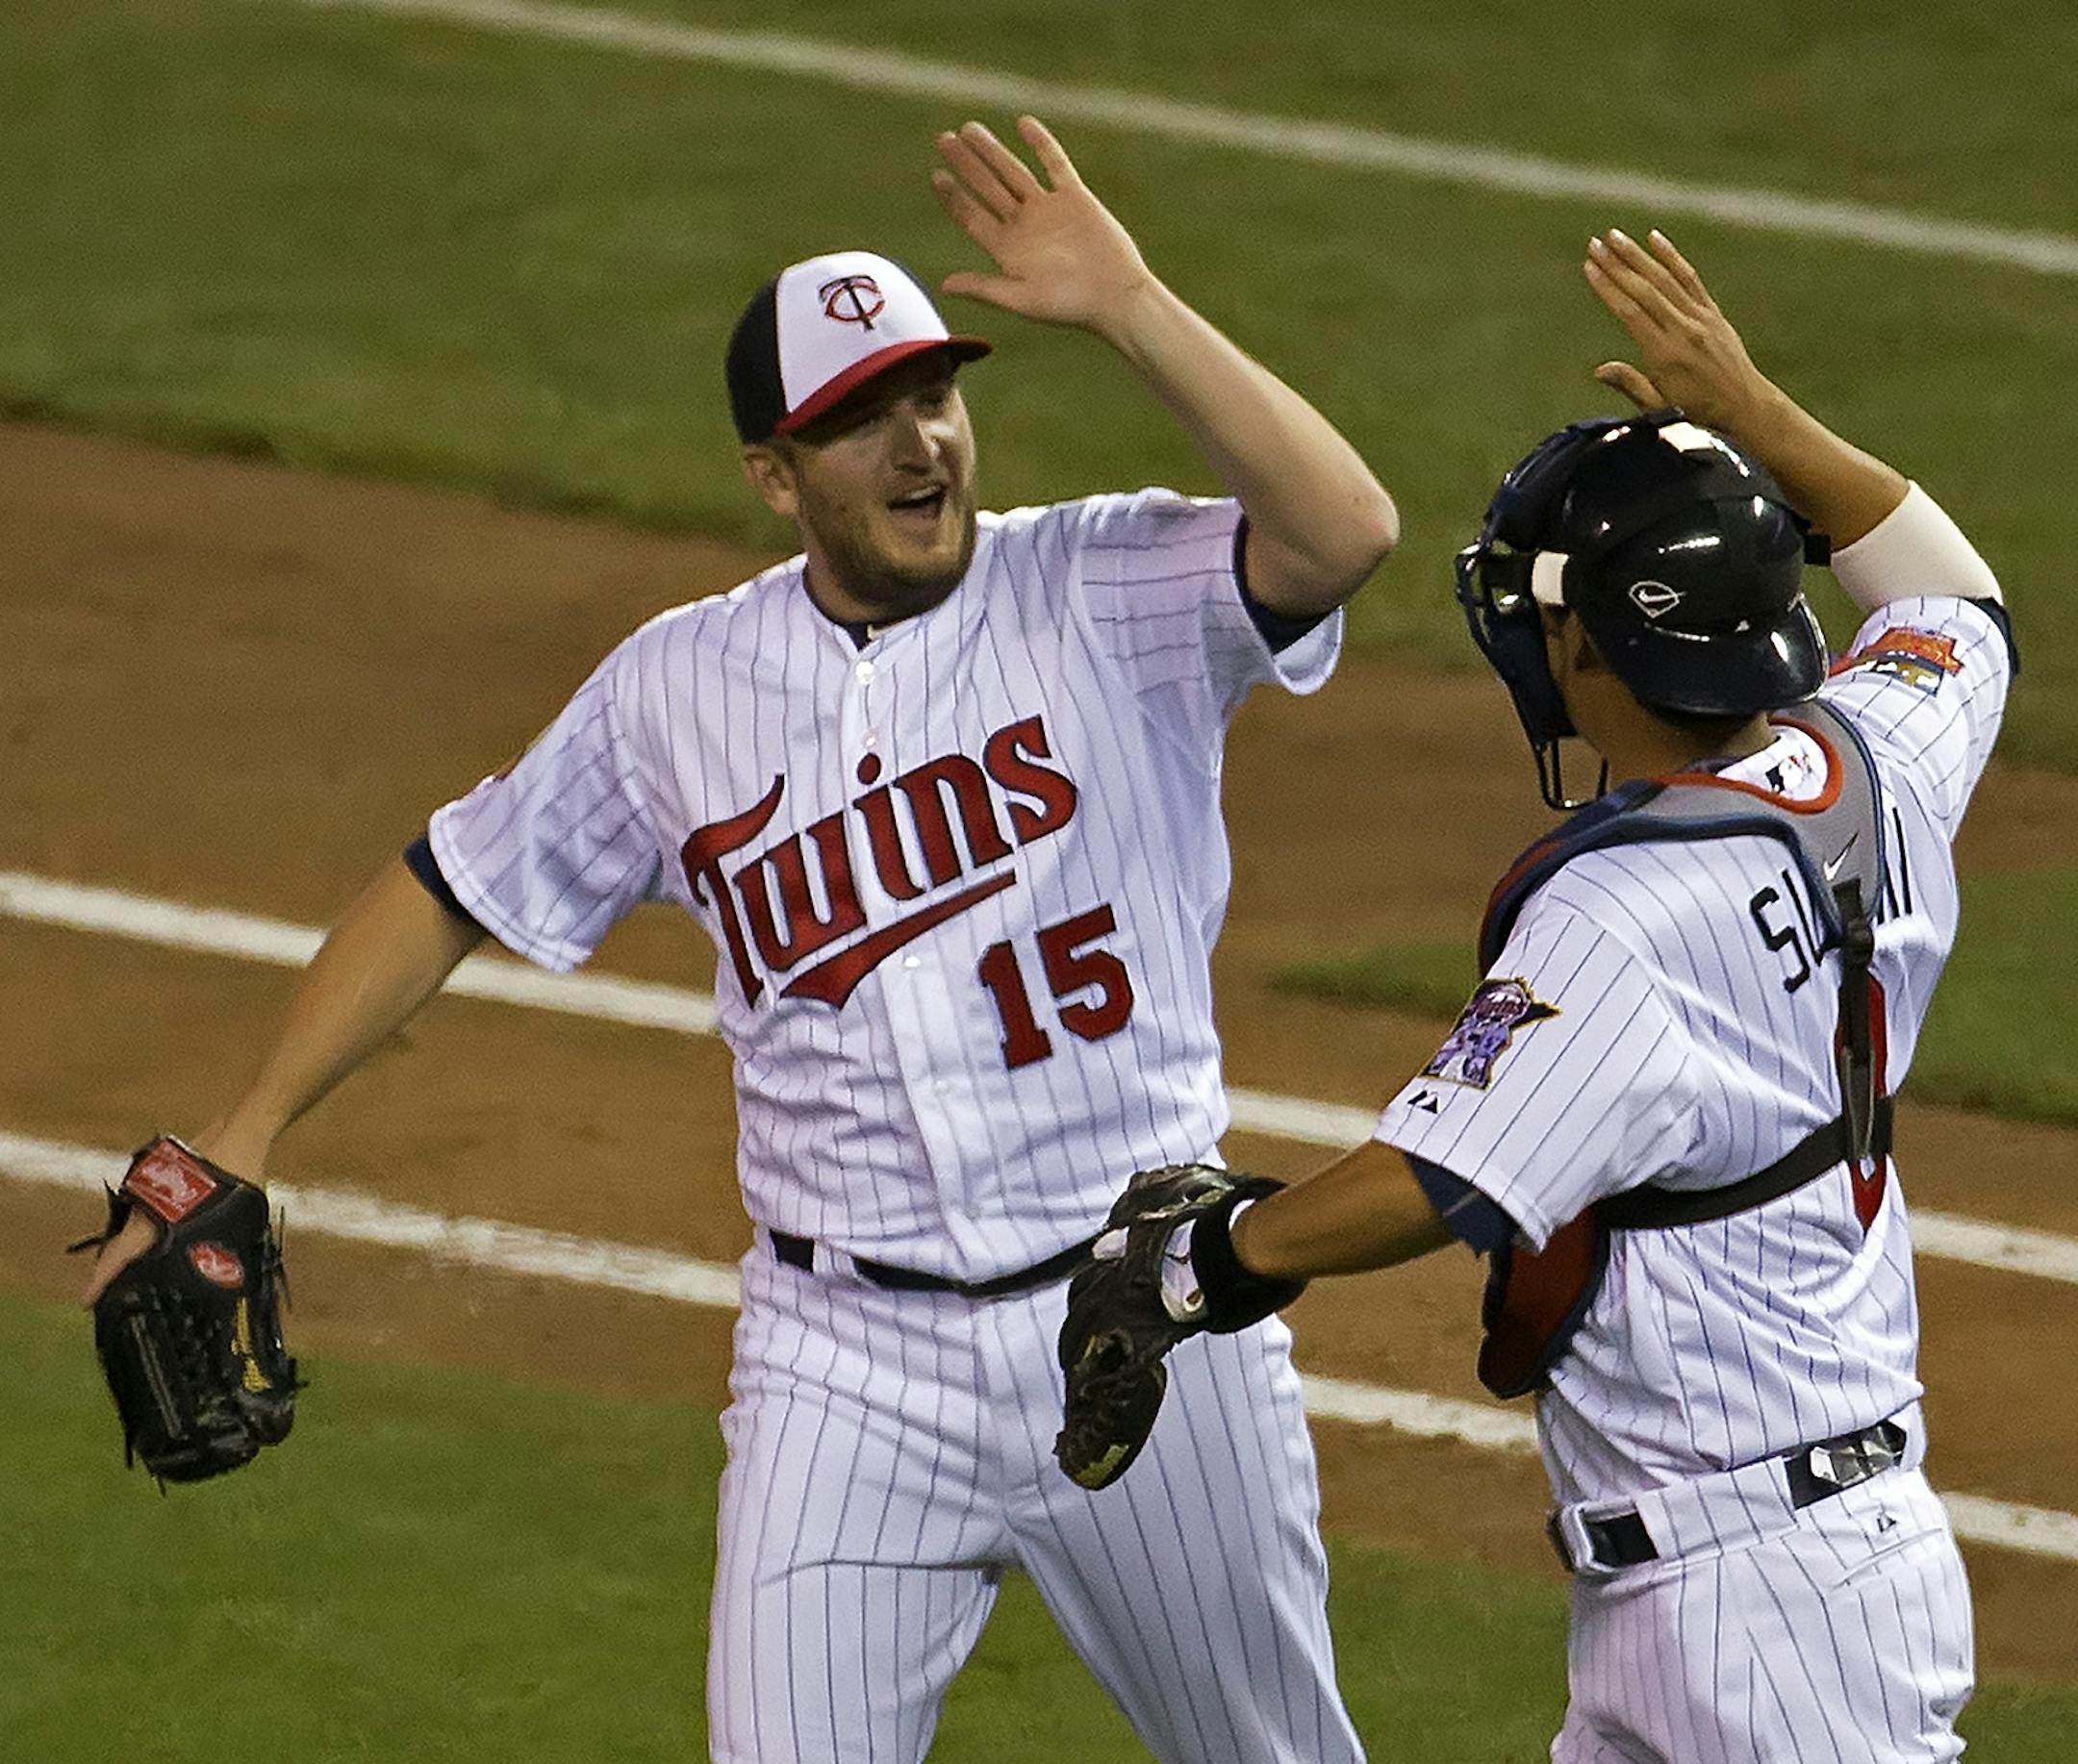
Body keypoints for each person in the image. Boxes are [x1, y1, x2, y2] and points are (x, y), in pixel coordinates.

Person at [84, 115, 1397, 1761]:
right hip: (841, 1365)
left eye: (933, 393)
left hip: (1141, 1312)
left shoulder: (1109, 582)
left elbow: (1345, 530)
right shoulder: (673, 690)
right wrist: (244, 1133)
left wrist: (1131, 303)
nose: (920, 442)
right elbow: (448, 881)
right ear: (776, 479)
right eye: (858, 421)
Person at [1105, 229, 2011, 1761]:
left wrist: (1206, 1263)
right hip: (1786, 1567)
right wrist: (1757, 408)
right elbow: (1956, 596)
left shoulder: (1623, 912)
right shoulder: (1879, 754)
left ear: (1590, 641)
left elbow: (1441, 1171)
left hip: (1765, 1619)